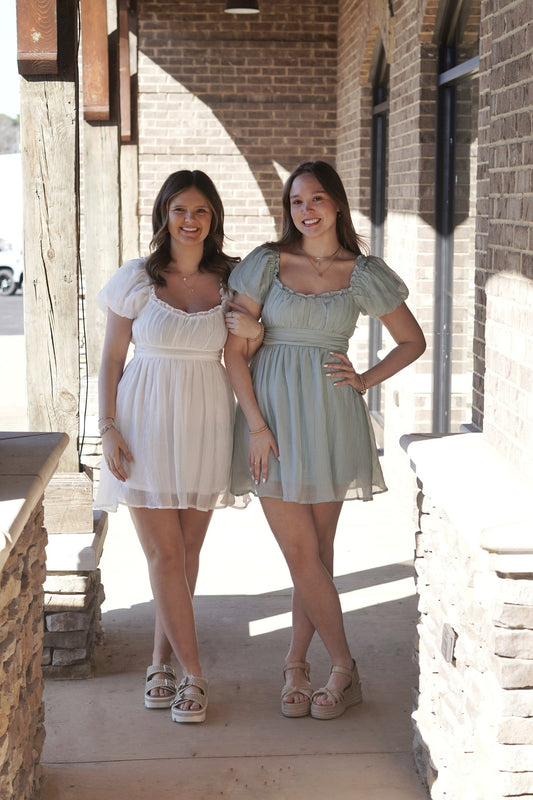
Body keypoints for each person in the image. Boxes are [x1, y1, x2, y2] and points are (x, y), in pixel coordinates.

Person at [224, 160, 426, 720]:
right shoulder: (266, 263)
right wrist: (255, 426)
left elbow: (412, 341)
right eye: (296, 201)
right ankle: (343, 666)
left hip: (331, 416)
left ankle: (296, 665)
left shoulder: (362, 273)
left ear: (336, 203)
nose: (306, 210)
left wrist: (364, 379)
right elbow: (234, 354)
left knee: (315, 553)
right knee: (300, 551)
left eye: (316, 199)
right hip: (270, 419)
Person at [94, 169, 257, 724]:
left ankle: (159, 663)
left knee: (185, 556)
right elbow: (111, 360)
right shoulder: (137, 278)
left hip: (206, 422)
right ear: (164, 215)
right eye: (180, 209)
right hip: (143, 422)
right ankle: (194, 674)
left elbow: (243, 353)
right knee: (164, 555)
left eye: (201, 210)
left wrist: (255, 335)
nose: (190, 220)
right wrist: (107, 427)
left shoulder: (232, 281)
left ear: (213, 218)